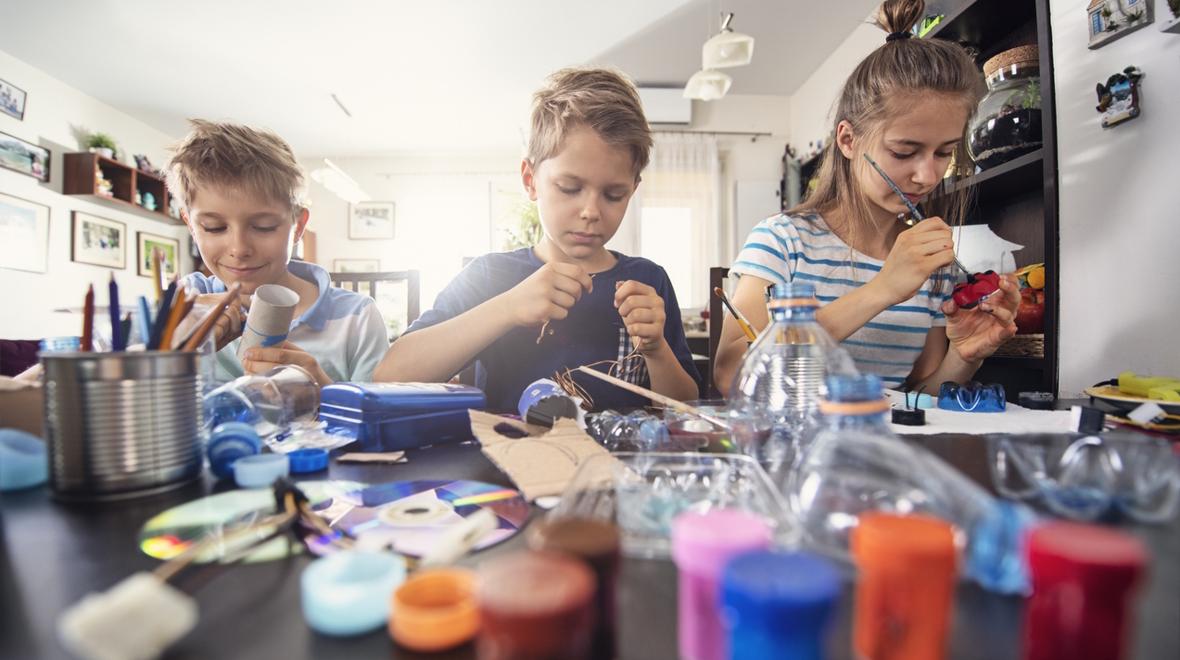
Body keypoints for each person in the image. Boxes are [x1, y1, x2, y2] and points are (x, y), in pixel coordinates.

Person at [714, 0, 1020, 395]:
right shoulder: (782, 241)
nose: (928, 176)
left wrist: (964, 356)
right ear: (848, 140)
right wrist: (881, 290)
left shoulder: (930, 262)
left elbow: (918, 397)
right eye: (903, 152)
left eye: (944, 152)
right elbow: (731, 377)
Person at [374, 67, 699, 411]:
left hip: (622, 448)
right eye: (570, 188)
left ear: (632, 190)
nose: (590, 211)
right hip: (510, 447)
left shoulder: (649, 280)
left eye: (613, 194)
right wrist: (507, 308)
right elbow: (389, 377)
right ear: (530, 180)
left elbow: (687, 408)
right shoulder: (489, 276)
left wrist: (656, 350)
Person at [168, 119, 389, 385]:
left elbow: (378, 410)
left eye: (264, 227)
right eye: (214, 228)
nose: (239, 249)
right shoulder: (184, 303)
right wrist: (173, 353)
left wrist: (323, 391)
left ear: (298, 226)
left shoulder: (357, 319)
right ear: (191, 227)